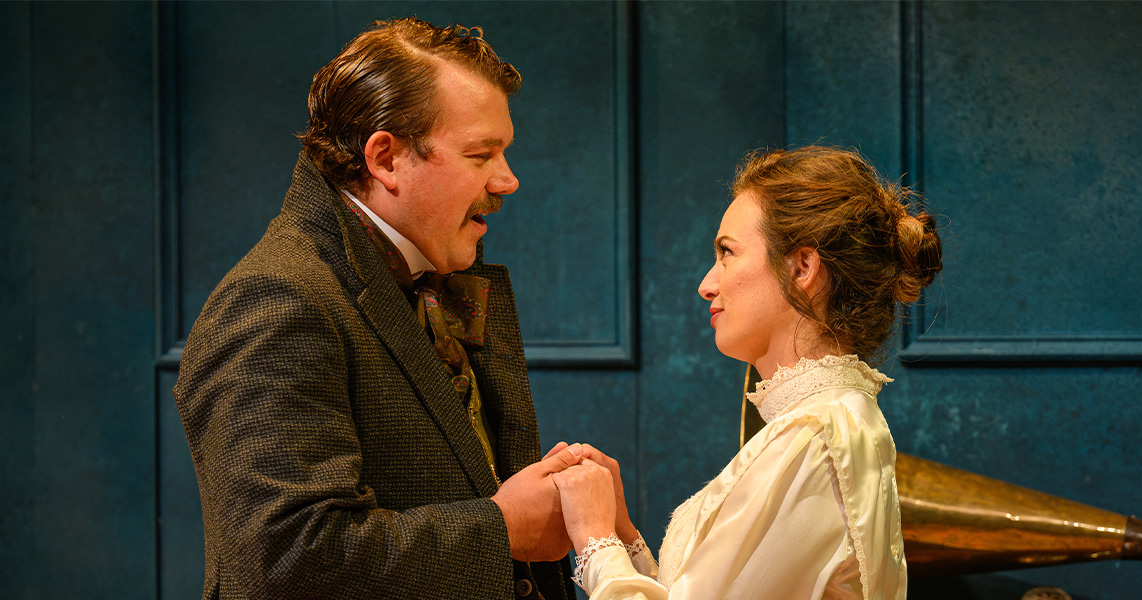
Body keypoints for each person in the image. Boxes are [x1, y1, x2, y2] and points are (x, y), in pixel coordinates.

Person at [173, 18, 579, 599]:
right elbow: (285, 560)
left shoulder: (436, 271)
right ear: (385, 158)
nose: (507, 180)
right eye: (480, 154)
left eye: (504, 152)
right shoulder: (278, 299)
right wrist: (503, 528)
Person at [552, 146, 943, 599]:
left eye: (727, 252)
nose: (707, 284)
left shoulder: (815, 437)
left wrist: (594, 541)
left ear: (802, 267)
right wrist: (623, 536)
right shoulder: (829, 423)